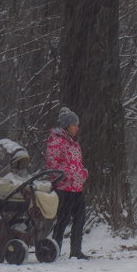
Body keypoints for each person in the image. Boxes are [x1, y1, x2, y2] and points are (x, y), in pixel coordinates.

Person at [45, 107, 90, 259]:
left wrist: (83, 172)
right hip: (64, 188)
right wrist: (68, 175)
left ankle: (76, 251)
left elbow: (77, 164)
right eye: (74, 125)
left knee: (80, 219)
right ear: (66, 126)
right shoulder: (56, 141)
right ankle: (55, 250)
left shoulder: (74, 143)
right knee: (62, 220)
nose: (77, 128)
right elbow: (52, 164)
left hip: (77, 188)